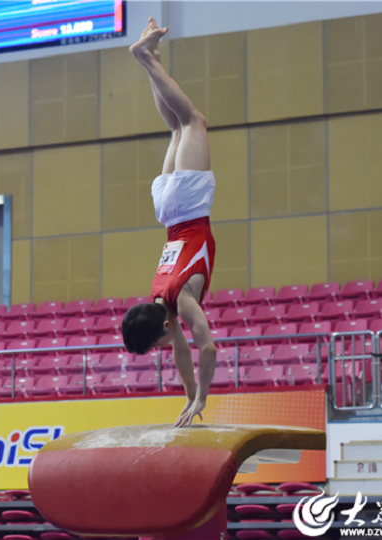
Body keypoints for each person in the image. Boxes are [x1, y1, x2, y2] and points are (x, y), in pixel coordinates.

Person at [121, 17, 217, 429]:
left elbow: (206, 348)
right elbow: (180, 348)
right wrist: (189, 397)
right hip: (167, 209)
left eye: (160, 340)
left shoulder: (182, 302)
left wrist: (203, 396)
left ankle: (145, 58)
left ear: (162, 324)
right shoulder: (159, 296)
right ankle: (151, 60)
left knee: (194, 120)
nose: (168, 343)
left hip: (188, 205)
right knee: (177, 126)